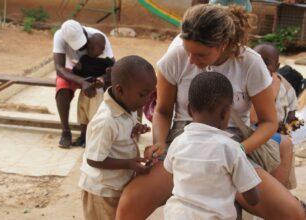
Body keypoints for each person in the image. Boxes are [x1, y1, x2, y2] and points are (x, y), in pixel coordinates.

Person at [116, 5, 305, 220]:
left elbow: (269, 122)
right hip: (183, 139)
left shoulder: (250, 63)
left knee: (294, 214)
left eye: (200, 54)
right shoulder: (176, 58)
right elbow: (162, 110)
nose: (191, 60)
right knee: (128, 207)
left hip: (232, 141)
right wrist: (160, 143)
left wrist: (237, 152)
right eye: (187, 51)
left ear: (223, 45)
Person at [164, 72, 260, 219]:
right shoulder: (231, 149)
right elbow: (253, 199)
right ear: (225, 113)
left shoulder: (178, 142)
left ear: (189, 109)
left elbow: (171, 173)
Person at [78, 55, 157, 220]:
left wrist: (135, 128)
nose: (147, 101)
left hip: (115, 185)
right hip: (101, 191)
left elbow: (121, 130)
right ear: (120, 90)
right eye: (143, 95)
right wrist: (129, 163)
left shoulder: (127, 104)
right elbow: (93, 159)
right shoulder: (106, 121)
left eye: (151, 94)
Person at [53, 19, 114, 148]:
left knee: (94, 106)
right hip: (75, 73)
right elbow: (59, 68)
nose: (81, 48)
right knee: (62, 85)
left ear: (84, 31)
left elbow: (112, 67)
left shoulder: (98, 37)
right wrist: (82, 81)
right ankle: (66, 132)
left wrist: (101, 80)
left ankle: (99, 133)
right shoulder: (59, 36)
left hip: (96, 77)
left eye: (83, 44)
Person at [251, 43, 297, 188]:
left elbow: (292, 116)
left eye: (266, 62)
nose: (261, 65)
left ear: (276, 67)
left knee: (286, 145)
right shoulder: (247, 81)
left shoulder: (286, 88)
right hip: (252, 129)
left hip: (274, 131)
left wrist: (285, 131)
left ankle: (280, 191)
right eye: (257, 60)